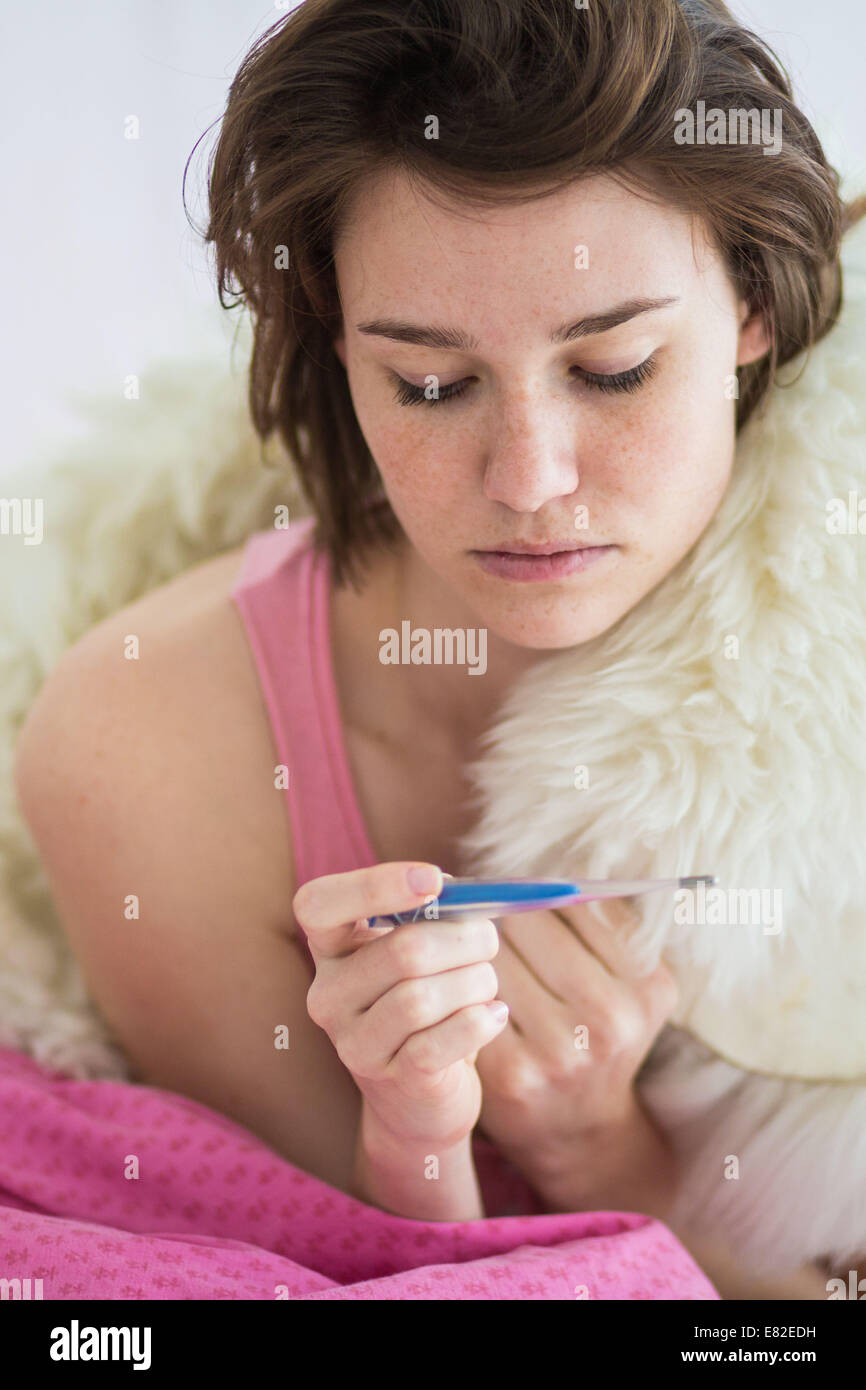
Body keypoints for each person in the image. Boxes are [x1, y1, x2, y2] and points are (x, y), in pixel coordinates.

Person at [14, 0, 865, 1298]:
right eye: (428, 384)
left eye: (615, 367)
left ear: (751, 305)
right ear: (329, 331)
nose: (527, 480)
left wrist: (596, 1146)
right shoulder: (145, 747)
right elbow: (346, 1258)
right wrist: (414, 1143)